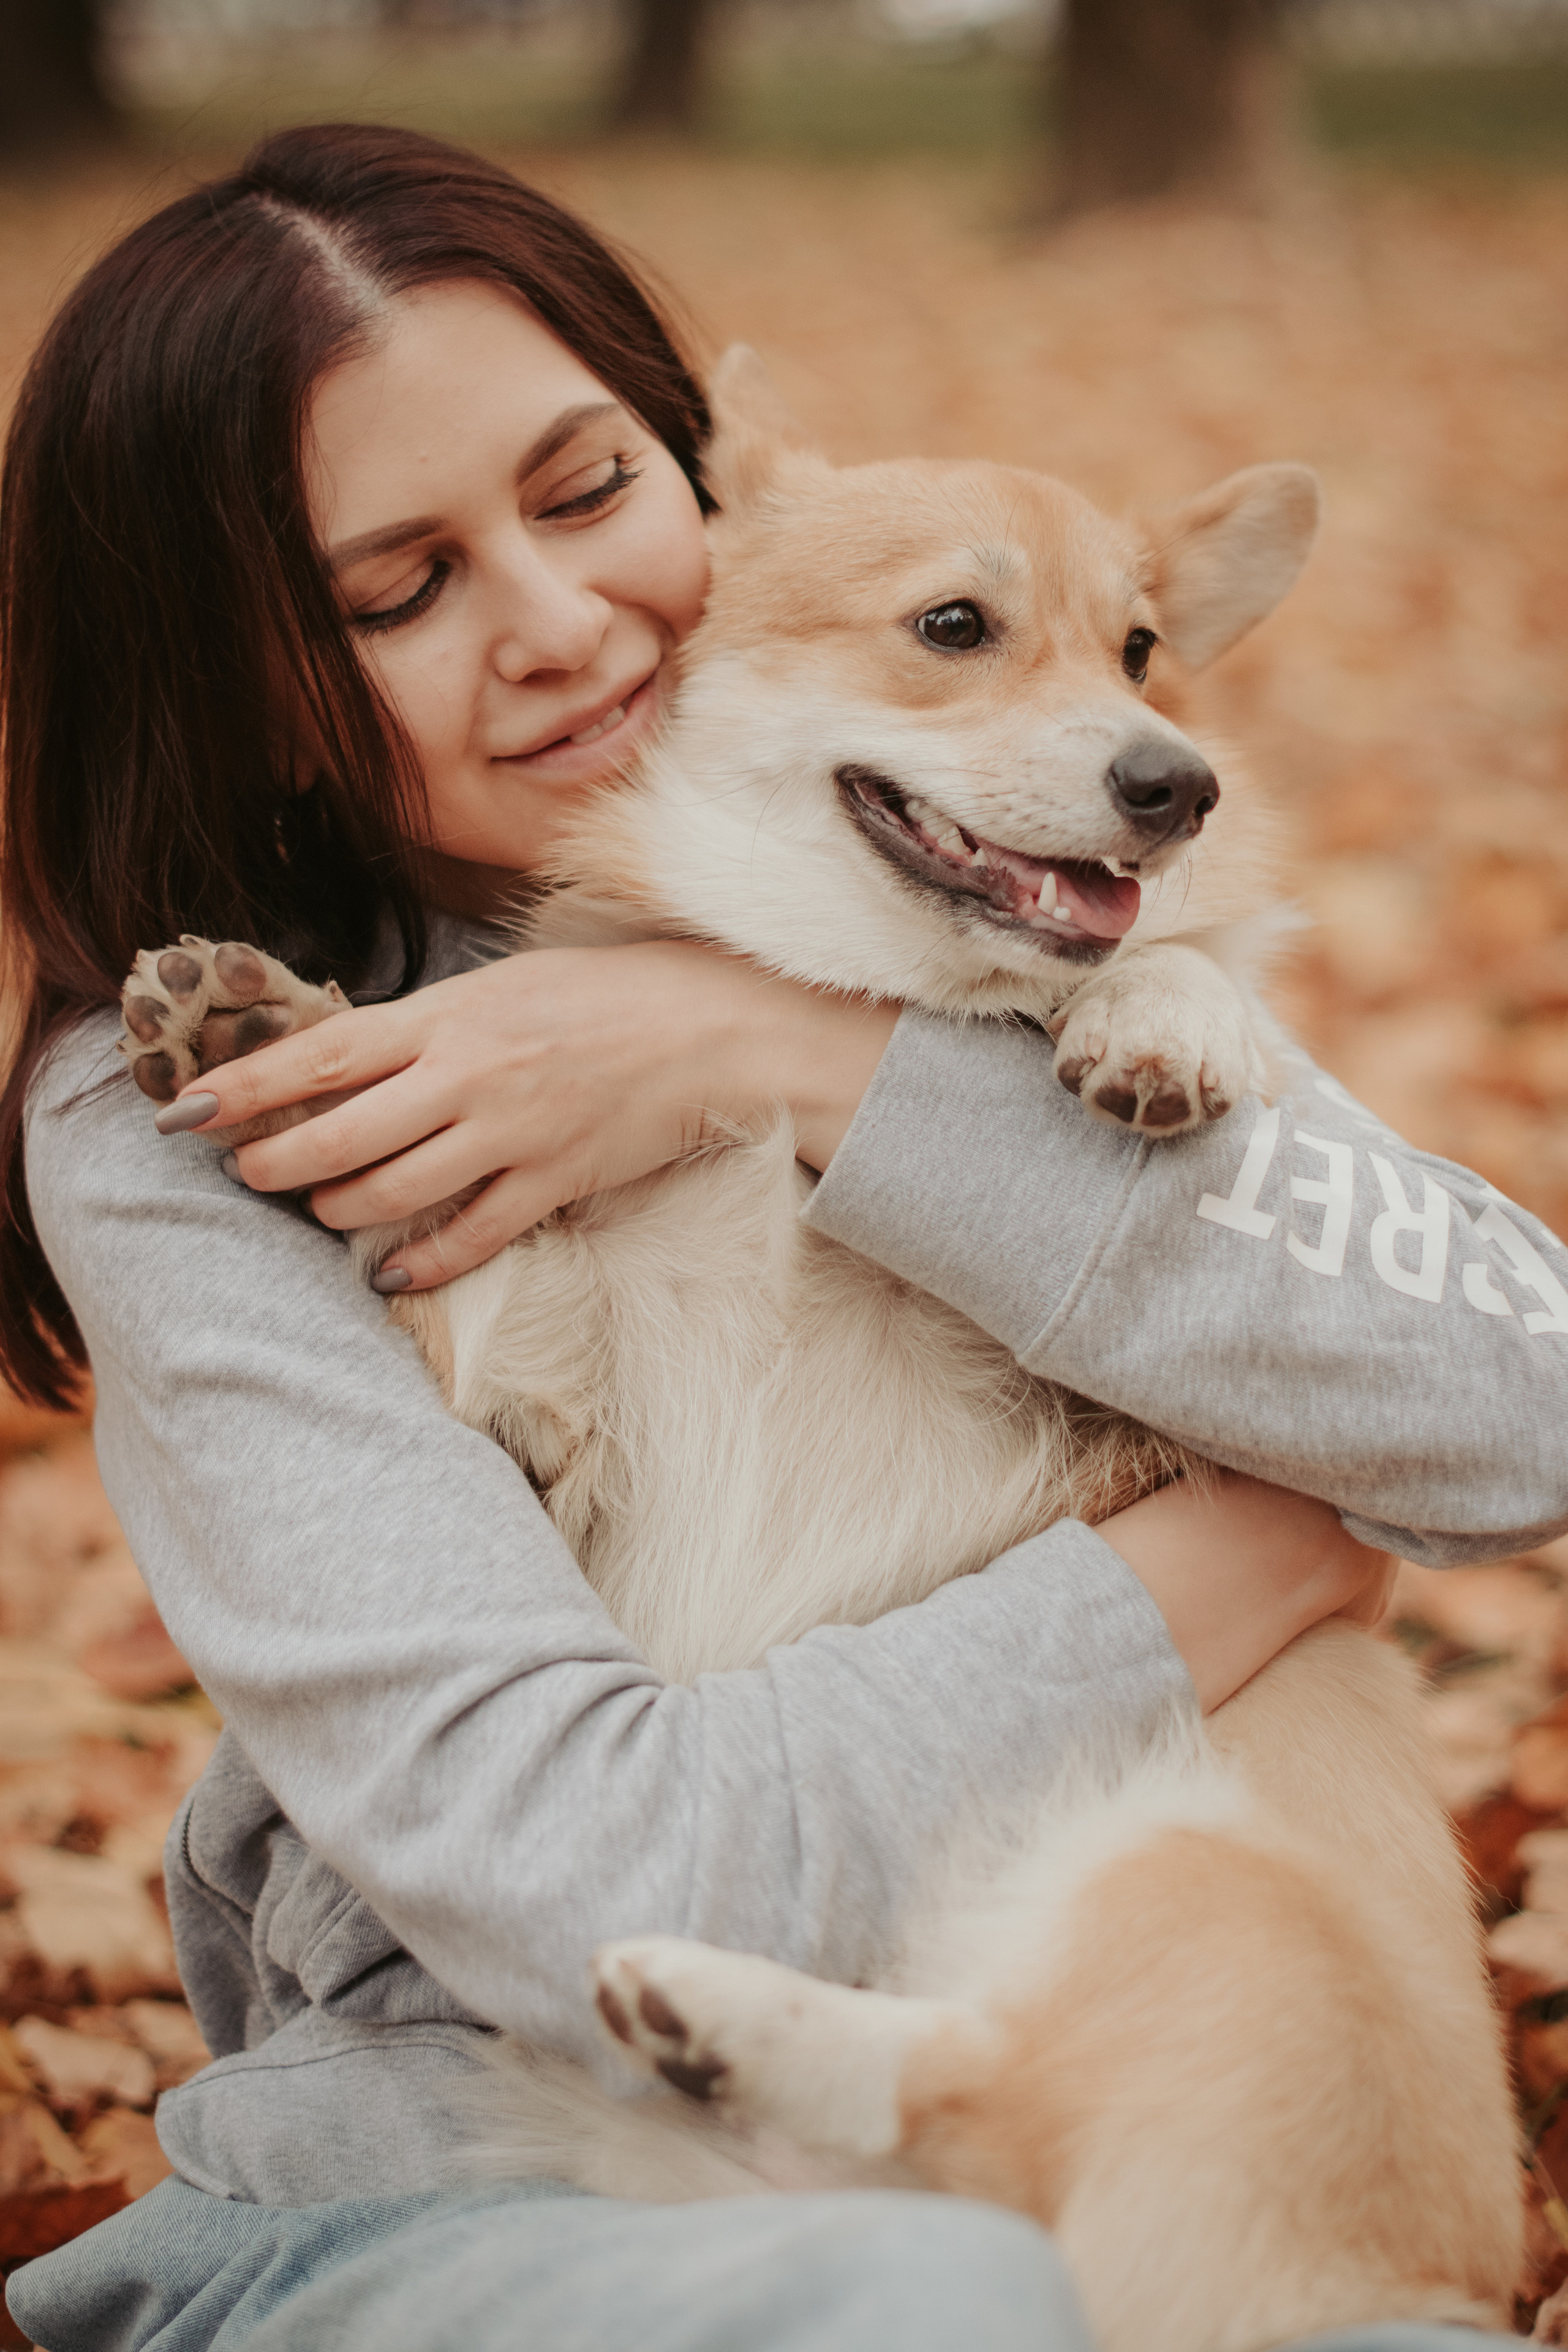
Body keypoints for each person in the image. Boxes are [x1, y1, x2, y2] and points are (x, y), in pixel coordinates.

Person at [1, 123, 1562, 2352]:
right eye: (395, 590)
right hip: (484, 2185)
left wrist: (781, 1050)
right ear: (239, 674)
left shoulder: (1011, 920)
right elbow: (603, 1885)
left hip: (1104, 2100)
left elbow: (1523, 1402)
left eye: (584, 490)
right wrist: (1216, 1566)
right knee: (926, 2309)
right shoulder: (193, 1107)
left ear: (705, 479)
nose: (562, 629)